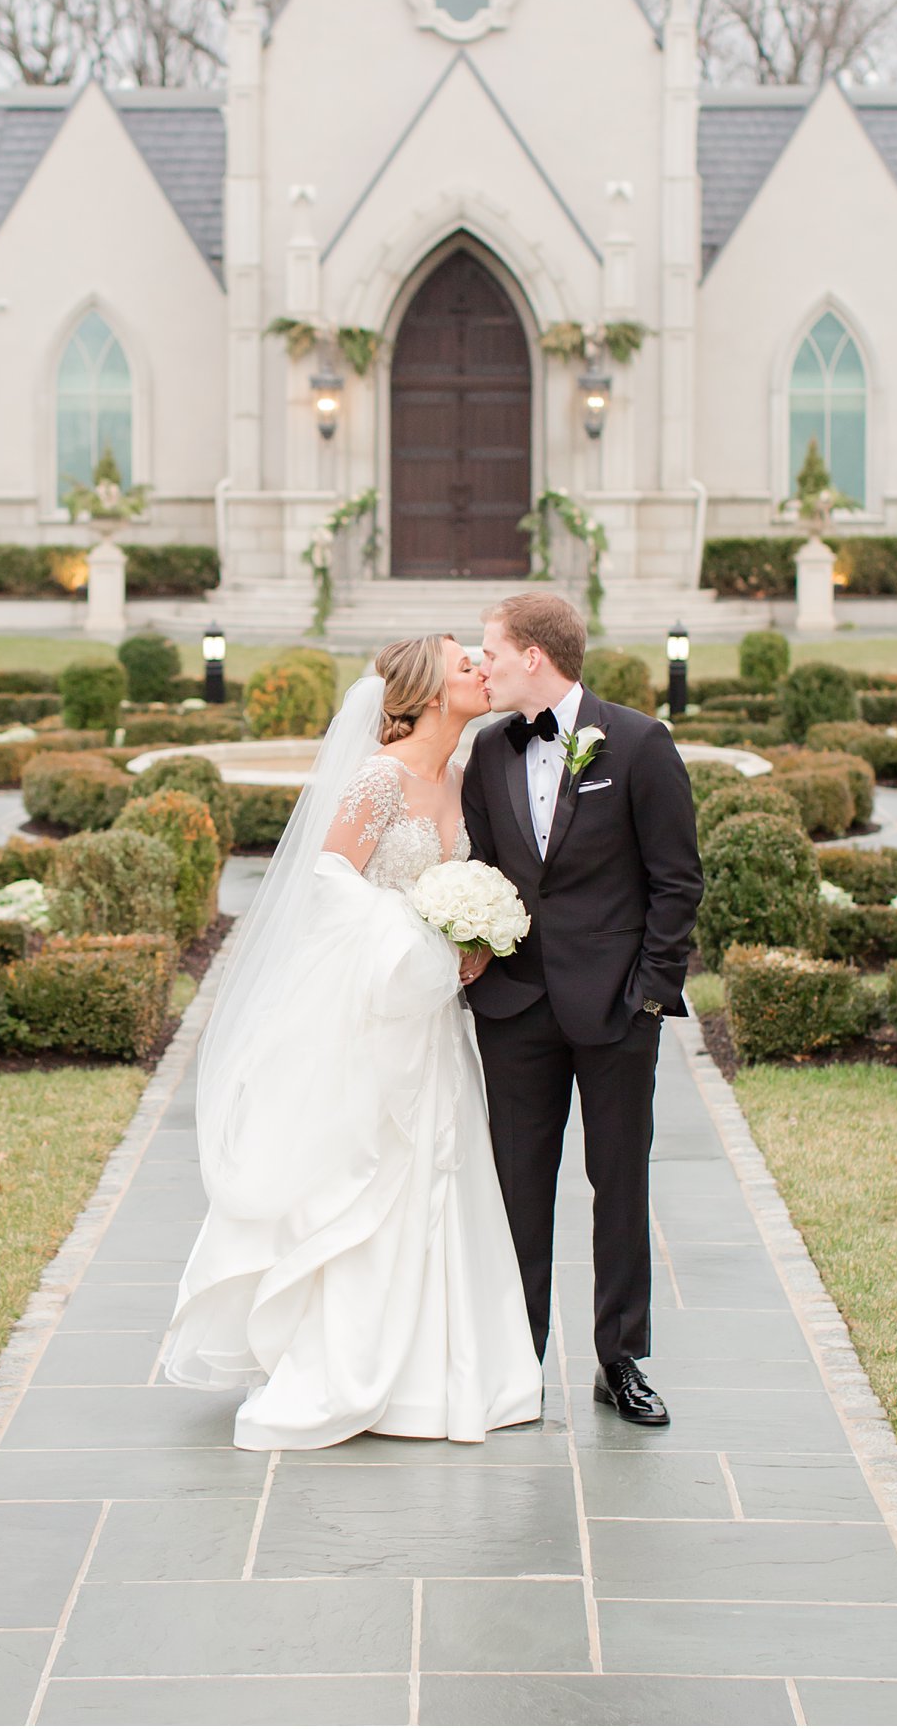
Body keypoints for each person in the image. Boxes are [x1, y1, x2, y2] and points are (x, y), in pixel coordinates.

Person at [163, 635, 543, 1451]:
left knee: (437, 1171)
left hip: (434, 1018)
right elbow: (330, 884)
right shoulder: (379, 776)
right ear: (431, 688)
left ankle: (437, 1372)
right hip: (374, 1010)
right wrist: (418, 938)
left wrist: (474, 938)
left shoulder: (461, 774)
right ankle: (346, 1365)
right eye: (464, 661)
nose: (481, 667)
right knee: (368, 1177)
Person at [462, 591, 704, 1426]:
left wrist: (648, 991)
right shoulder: (488, 753)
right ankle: (517, 1361)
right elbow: (488, 873)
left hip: (615, 1010)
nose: (480, 664)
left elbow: (678, 880)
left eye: (489, 650)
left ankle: (621, 1359)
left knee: (618, 1182)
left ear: (533, 655)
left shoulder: (639, 742)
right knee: (518, 1189)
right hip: (515, 1009)